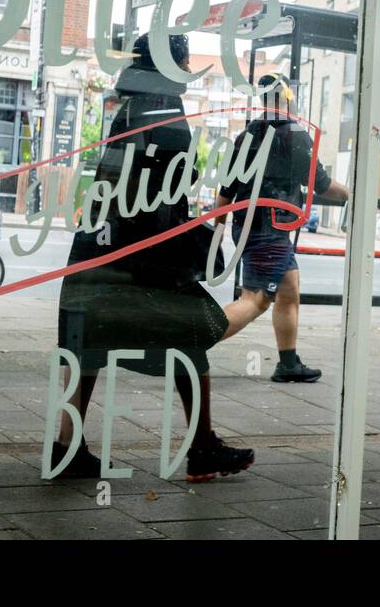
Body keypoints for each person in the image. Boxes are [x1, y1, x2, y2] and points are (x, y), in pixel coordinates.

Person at [53, 33, 254, 482]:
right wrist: (183, 257)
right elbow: (161, 201)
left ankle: (65, 448)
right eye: (185, 61)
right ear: (173, 66)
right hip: (141, 252)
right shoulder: (168, 116)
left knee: (89, 341)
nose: (189, 71)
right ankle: (201, 447)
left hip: (100, 242)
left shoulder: (128, 105)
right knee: (194, 334)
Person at [214, 73, 350, 383]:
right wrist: (351, 195)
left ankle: (288, 363)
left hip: (251, 225)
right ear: (288, 97)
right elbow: (321, 184)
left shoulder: (248, 134)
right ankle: (192, 344)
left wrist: (218, 231)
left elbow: (226, 190)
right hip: (271, 228)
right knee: (255, 299)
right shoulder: (293, 134)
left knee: (288, 291)